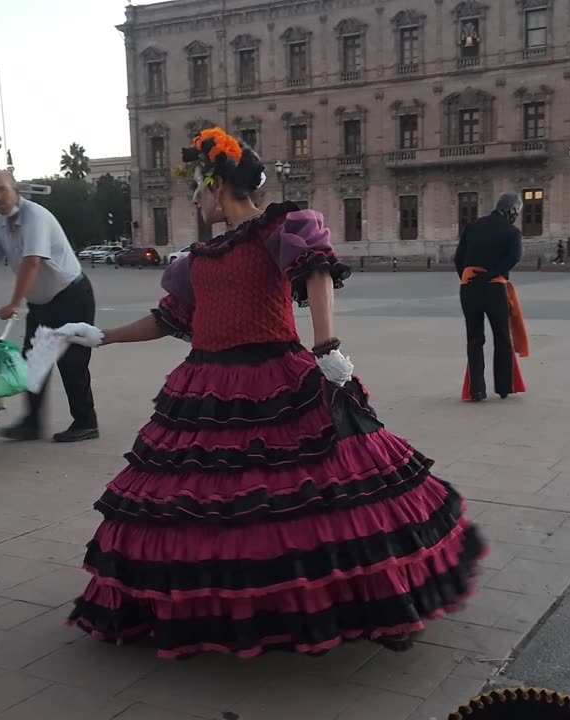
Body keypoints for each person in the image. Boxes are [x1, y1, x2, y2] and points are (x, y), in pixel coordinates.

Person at [60, 128, 486, 658]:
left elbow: (316, 272)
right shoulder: (199, 258)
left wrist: (327, 345)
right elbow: (170, 319)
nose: (193, 198)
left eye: (198, 187)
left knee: (328, 493)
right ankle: (238, 605)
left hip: (277, 379)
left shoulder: (276, 228)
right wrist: (101, 336)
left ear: (218, 186)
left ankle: (380, 607)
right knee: (210, 504)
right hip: (208, 388)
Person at [0, 169, 99, 443]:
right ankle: (32, 424)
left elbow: (32, 262)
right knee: (33, 361)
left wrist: (15, 303)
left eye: (1, 190)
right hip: (42, 302)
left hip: (72, 296)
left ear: (15, 191)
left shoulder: (36, 217)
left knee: (72, 363)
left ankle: (86, 422)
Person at [453, 193, 530, 402]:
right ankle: (504, 387)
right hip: (495, 288)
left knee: (475, 338)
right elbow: (513, 258)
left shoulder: (473, 227)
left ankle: (477, 389)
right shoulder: (512, 232)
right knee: (502, 337)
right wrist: (491, 274)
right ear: (511, 210)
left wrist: (468, 278)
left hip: (469, 288)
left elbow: (458, 258)